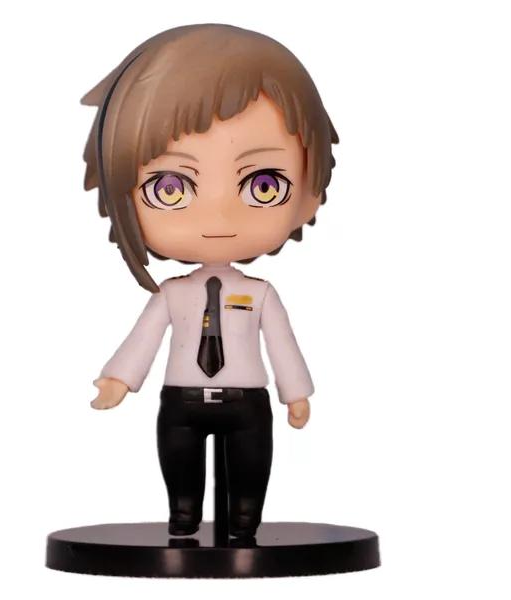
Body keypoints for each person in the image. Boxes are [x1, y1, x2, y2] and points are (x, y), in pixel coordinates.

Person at [82, 24, 338, 538]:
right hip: (182, 400)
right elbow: (143, 340)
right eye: (170, 187)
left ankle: (244, 524)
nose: (219, 215)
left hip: (247, 402)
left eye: (263, 184)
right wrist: (119, 379)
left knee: (250, 469)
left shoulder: (260, 295)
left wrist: (296, 392)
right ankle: (183, 519)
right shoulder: (172, 295)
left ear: (309, 194)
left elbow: (282, 344)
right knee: (179, 467)